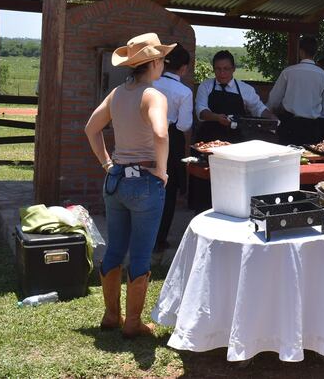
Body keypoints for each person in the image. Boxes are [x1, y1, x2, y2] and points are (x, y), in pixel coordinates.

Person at [84, 32, 174, 338]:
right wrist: (162, 170)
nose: (164, 64)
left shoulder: (117, 94)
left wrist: (107, 164)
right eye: (162, 59)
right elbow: (160, 134)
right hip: (145, 181)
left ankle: (112, 315)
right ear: (154, 62)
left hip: (116, 179)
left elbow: (91, 129)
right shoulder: (153, 96)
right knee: (140, 253)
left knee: (115, 248)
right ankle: (133, 323)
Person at [151, 44, 193, 253]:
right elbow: (184, 125)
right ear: (183, 68)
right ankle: (159, 239)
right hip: (171, 138)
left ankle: (142, 234)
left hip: (146, 136)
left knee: (146, 183)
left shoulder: (150, 83)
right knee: (168, 190)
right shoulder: (184, 92)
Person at [194, 50, 276, 144]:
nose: (222, 73)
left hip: (236, 140)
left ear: (233, 69)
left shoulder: (246, 89)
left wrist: (271, 118)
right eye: (218, 69)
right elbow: (201, 110)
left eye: (226, 69)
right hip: (208, 139)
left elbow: (258, 108)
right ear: (213, 69)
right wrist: (216, 117)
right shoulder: (205, 86)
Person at [268, 36, 324, 145]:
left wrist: (268, 111)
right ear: (315, 52)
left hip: (289, 124)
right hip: (312, 126)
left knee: (286, 153)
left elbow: (274, 98)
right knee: (309, 154)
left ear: (300, 51)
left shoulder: (288, 72)